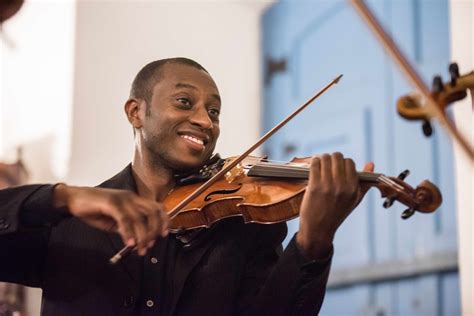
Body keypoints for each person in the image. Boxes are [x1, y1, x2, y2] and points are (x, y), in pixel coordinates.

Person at [0, 57, 373, 315]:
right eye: (184, 102)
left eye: (214, 112)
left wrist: (313, 240)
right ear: (136, 112)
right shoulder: (68, 221)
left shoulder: (245, 229)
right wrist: (64, 196)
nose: (205, 121)